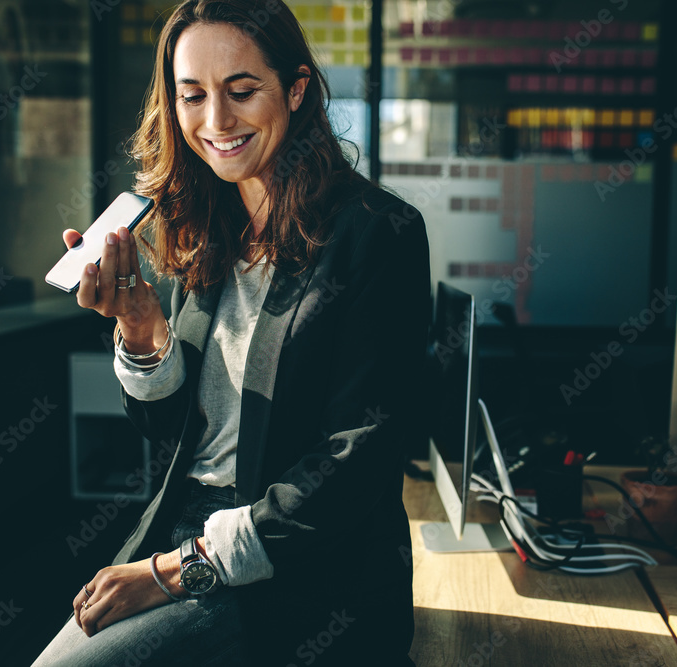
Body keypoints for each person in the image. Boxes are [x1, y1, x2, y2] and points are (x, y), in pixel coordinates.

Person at [30, 0, 430, 665]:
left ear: (296, 90)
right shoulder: (209, 226)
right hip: (181, 526)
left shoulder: (377, 234)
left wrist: (176, 571)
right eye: (193, 96)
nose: (216, 122)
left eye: (242, 91)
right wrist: (140, 328)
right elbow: (174, 433)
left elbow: (359, 457)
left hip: (297, 565)